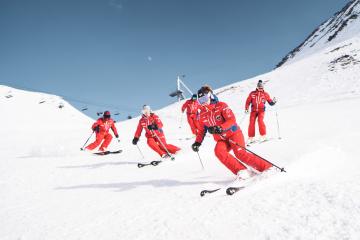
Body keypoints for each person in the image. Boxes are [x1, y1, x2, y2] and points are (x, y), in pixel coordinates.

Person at [191, 85, 272, 179]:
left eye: (205, 98)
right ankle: (242, 171)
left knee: (240, 153)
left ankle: (267, 167)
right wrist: (197, 142)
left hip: (234, 134)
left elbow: (232, 120)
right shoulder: (201, 114)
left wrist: (220, 128)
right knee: (219, 151)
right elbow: (201, 130)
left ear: (210, 96)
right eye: (200, 101)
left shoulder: (221, 105)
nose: (203, 102)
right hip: (222, 139)